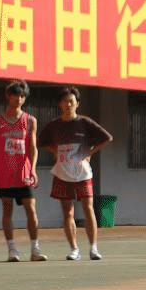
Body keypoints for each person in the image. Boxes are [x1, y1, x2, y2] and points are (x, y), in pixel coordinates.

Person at [37, 86, 113, 261]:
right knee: (68, 212)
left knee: (88, 209)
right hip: (62, 173)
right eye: (65, 101)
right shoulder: (54, 125)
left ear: (77, 103)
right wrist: (55, 152)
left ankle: (93, 248)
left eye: (71, 101)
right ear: (59, 104)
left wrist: (89, 152)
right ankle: (74, 249)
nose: (68, 105)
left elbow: (107, 138)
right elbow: (41, 142)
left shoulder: (85, 122)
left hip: (82, 173)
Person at [0, 80, 42, 262]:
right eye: (15, 95)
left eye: (22, 96)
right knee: (7, 209)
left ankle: (35, 249)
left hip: (23, 174)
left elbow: (33, 148)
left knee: (31, 208)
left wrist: (33, 169)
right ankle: (12, 250)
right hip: (3, 174)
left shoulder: (30, 121)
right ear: (8, 96)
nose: (18, 99)